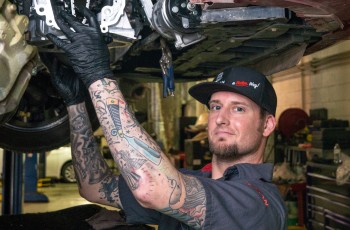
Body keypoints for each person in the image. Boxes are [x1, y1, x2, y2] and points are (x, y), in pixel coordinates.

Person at [45, 7, 287, 230]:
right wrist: (76, 104)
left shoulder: (258, 201)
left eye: (239, 109)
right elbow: (95, 187)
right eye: (215, 106)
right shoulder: (194, 180)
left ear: (267, 125)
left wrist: (97, 75)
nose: (221, 118)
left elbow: (152, 189)